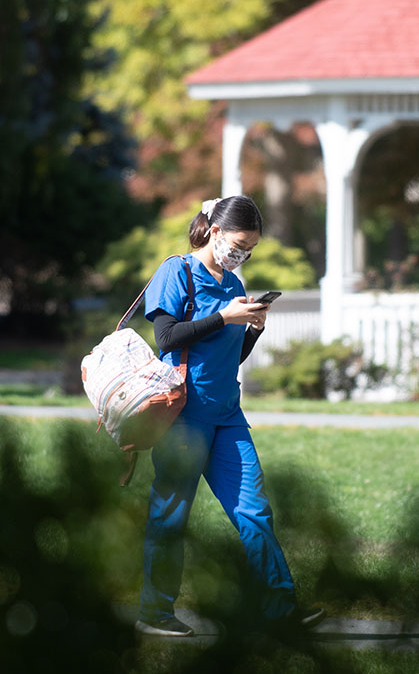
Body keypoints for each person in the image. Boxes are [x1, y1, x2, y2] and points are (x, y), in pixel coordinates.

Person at [134, 195, 324, 638]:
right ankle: (155, 612)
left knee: (255, 511)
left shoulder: (235, 286)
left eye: (250, 250)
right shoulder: (176, 271)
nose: (242, 255)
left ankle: (280, 610)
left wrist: (251, 329)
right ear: (215, 231)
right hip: (183, 413)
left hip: (227, 415)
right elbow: (166, 336)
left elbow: (230, 358)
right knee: (171, 514)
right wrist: (224, 317)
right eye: (239, 244)